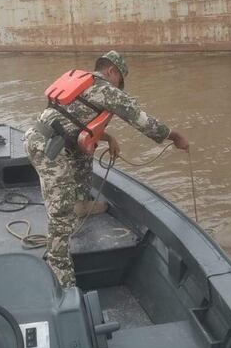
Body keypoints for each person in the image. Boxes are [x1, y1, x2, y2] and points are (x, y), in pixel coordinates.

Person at [23, 50, 189, 288]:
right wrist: (174, 137)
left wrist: (108, 137)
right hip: (49, 150)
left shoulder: (83, 83)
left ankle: (81, 205)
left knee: (83, 153)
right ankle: (61, 274)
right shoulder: (107, 90)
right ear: (112, 71)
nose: (119, 88)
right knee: (60, 215)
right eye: (119, 81)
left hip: (43, 138)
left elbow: (73, 122)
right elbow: (143, 121)